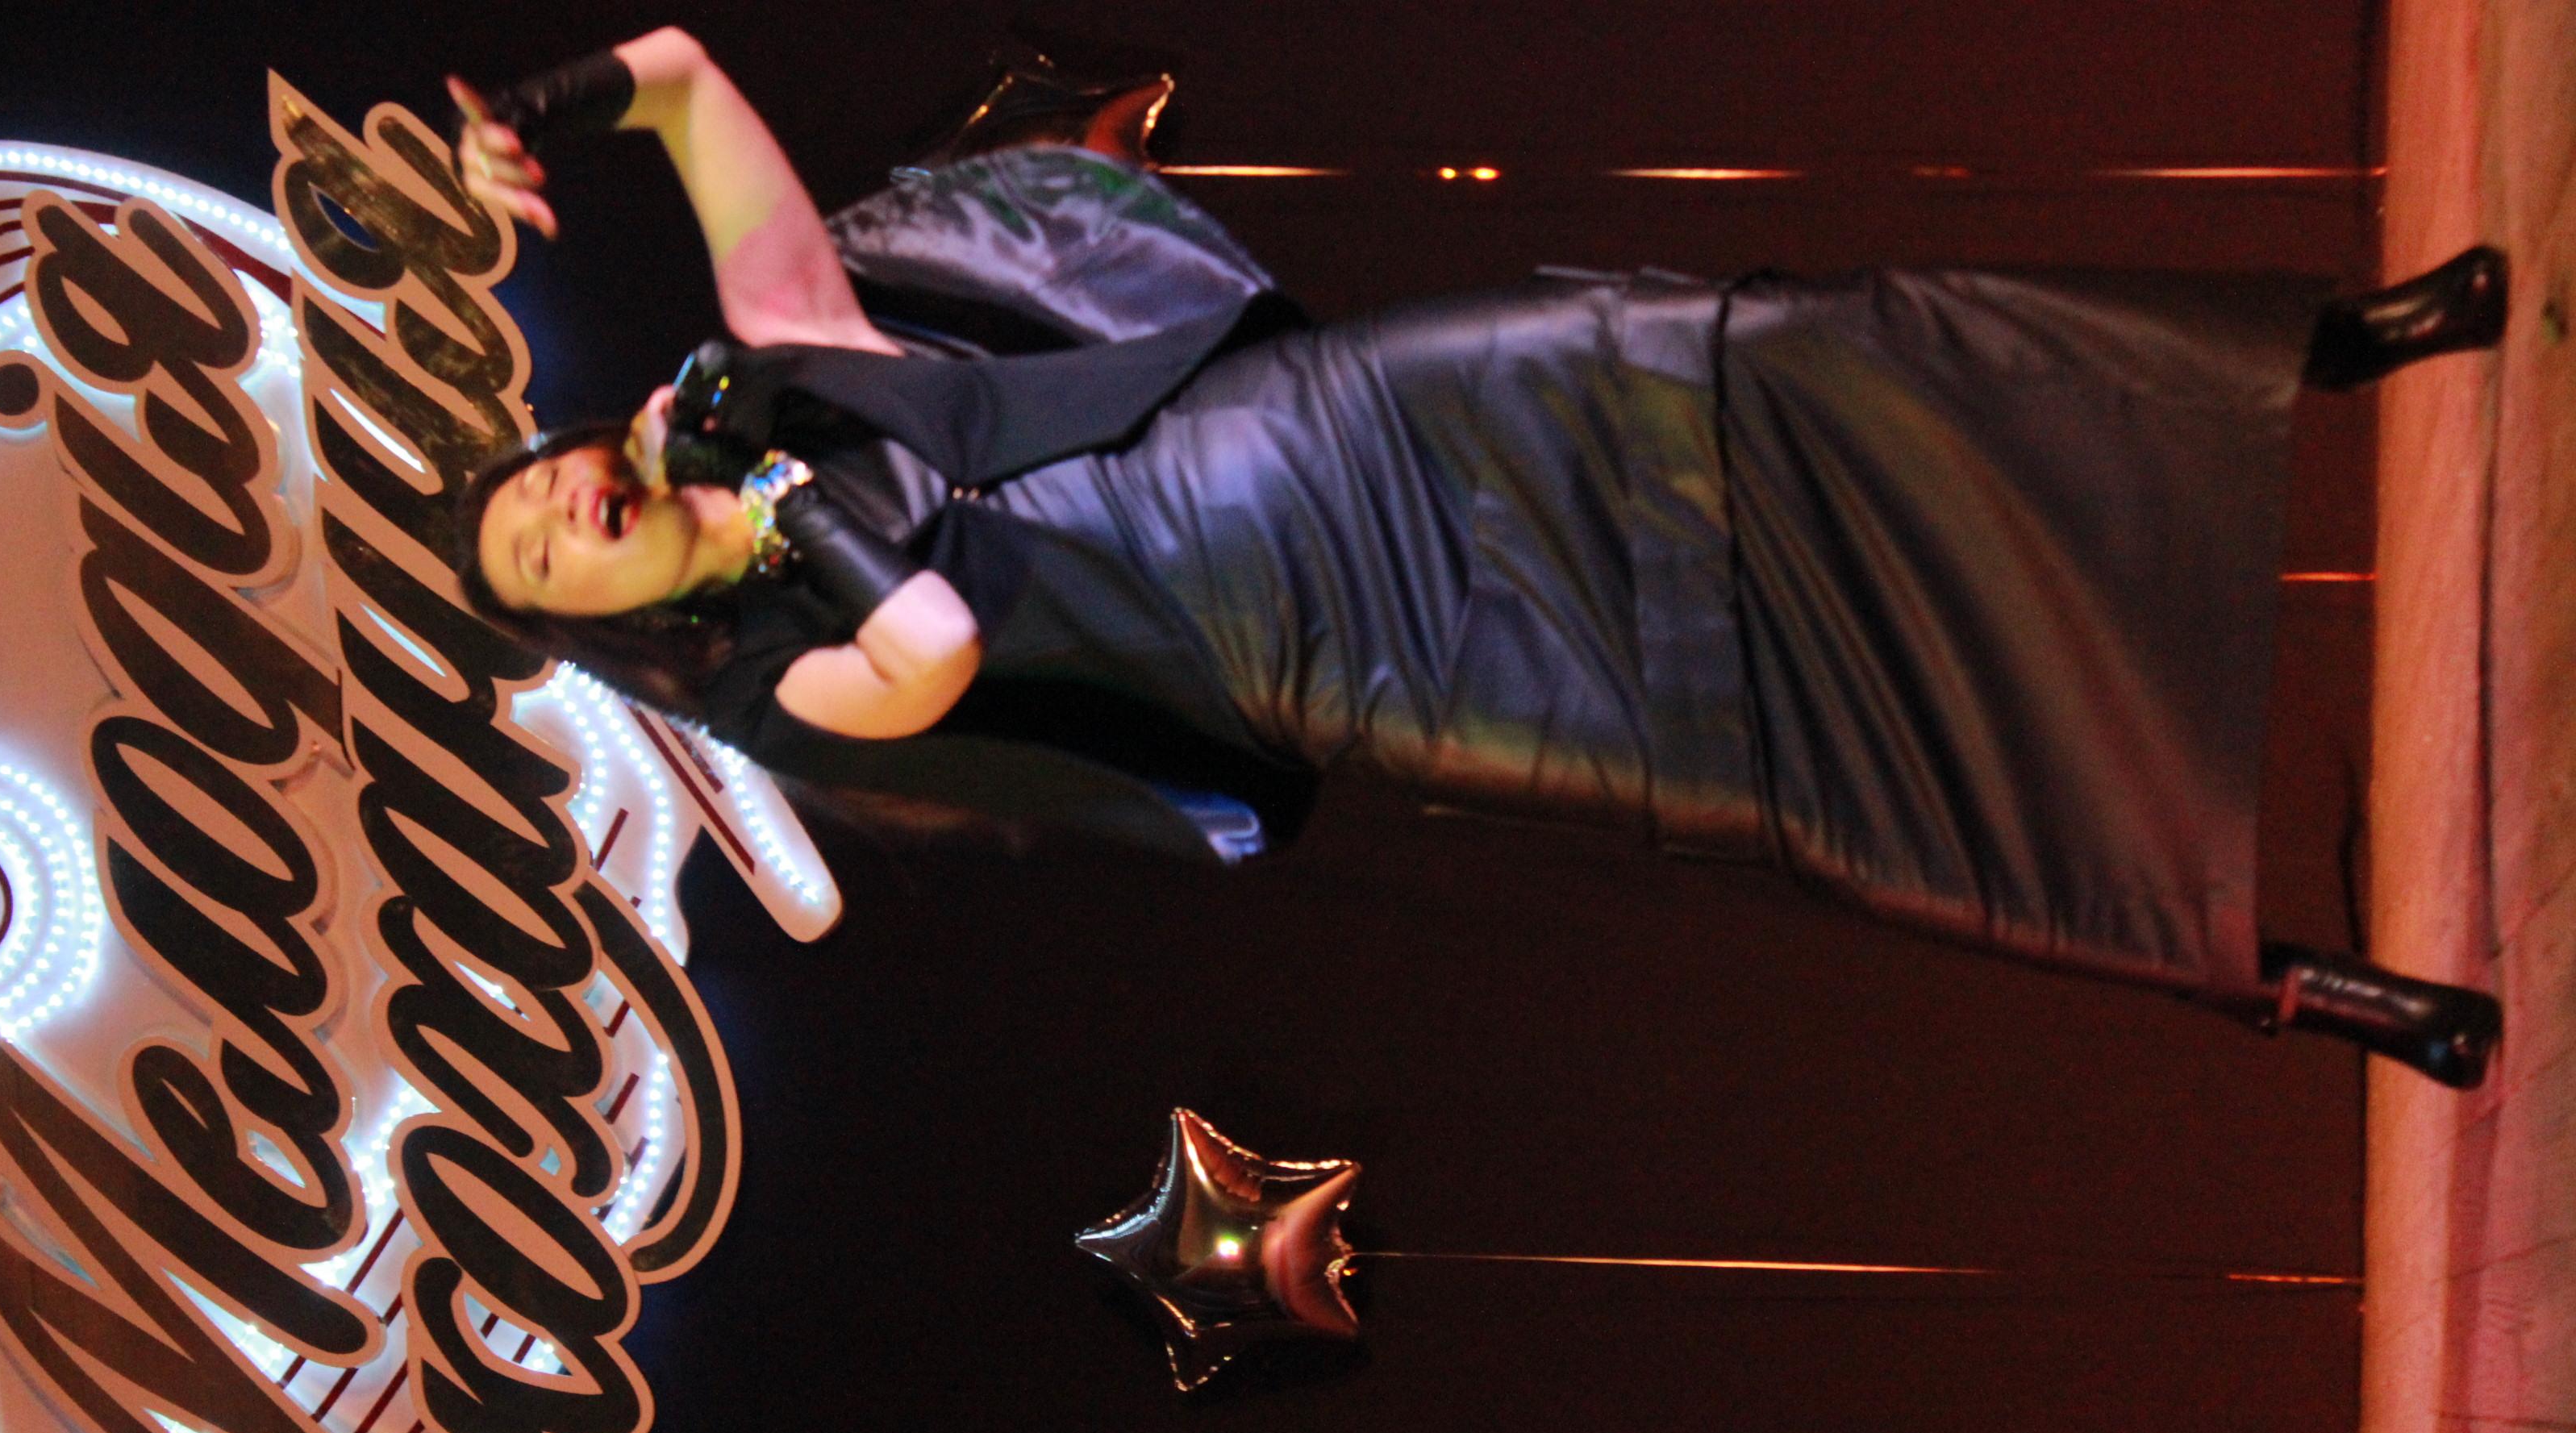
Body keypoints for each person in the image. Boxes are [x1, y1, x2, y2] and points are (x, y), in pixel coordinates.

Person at [447, 27, 2510, 1087]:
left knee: (1769, 359)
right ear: (606, 624)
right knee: (1769, 772)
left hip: (1341, 424)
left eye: (534, 488)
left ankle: (2312, 347)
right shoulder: (775, 685)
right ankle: (2287, 981)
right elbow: (932, 654)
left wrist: (538, 102)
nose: (556, 512)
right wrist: (778, 515)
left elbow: (685, 80)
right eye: (542, 561)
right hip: (1346, 654)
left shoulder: (792, 353)